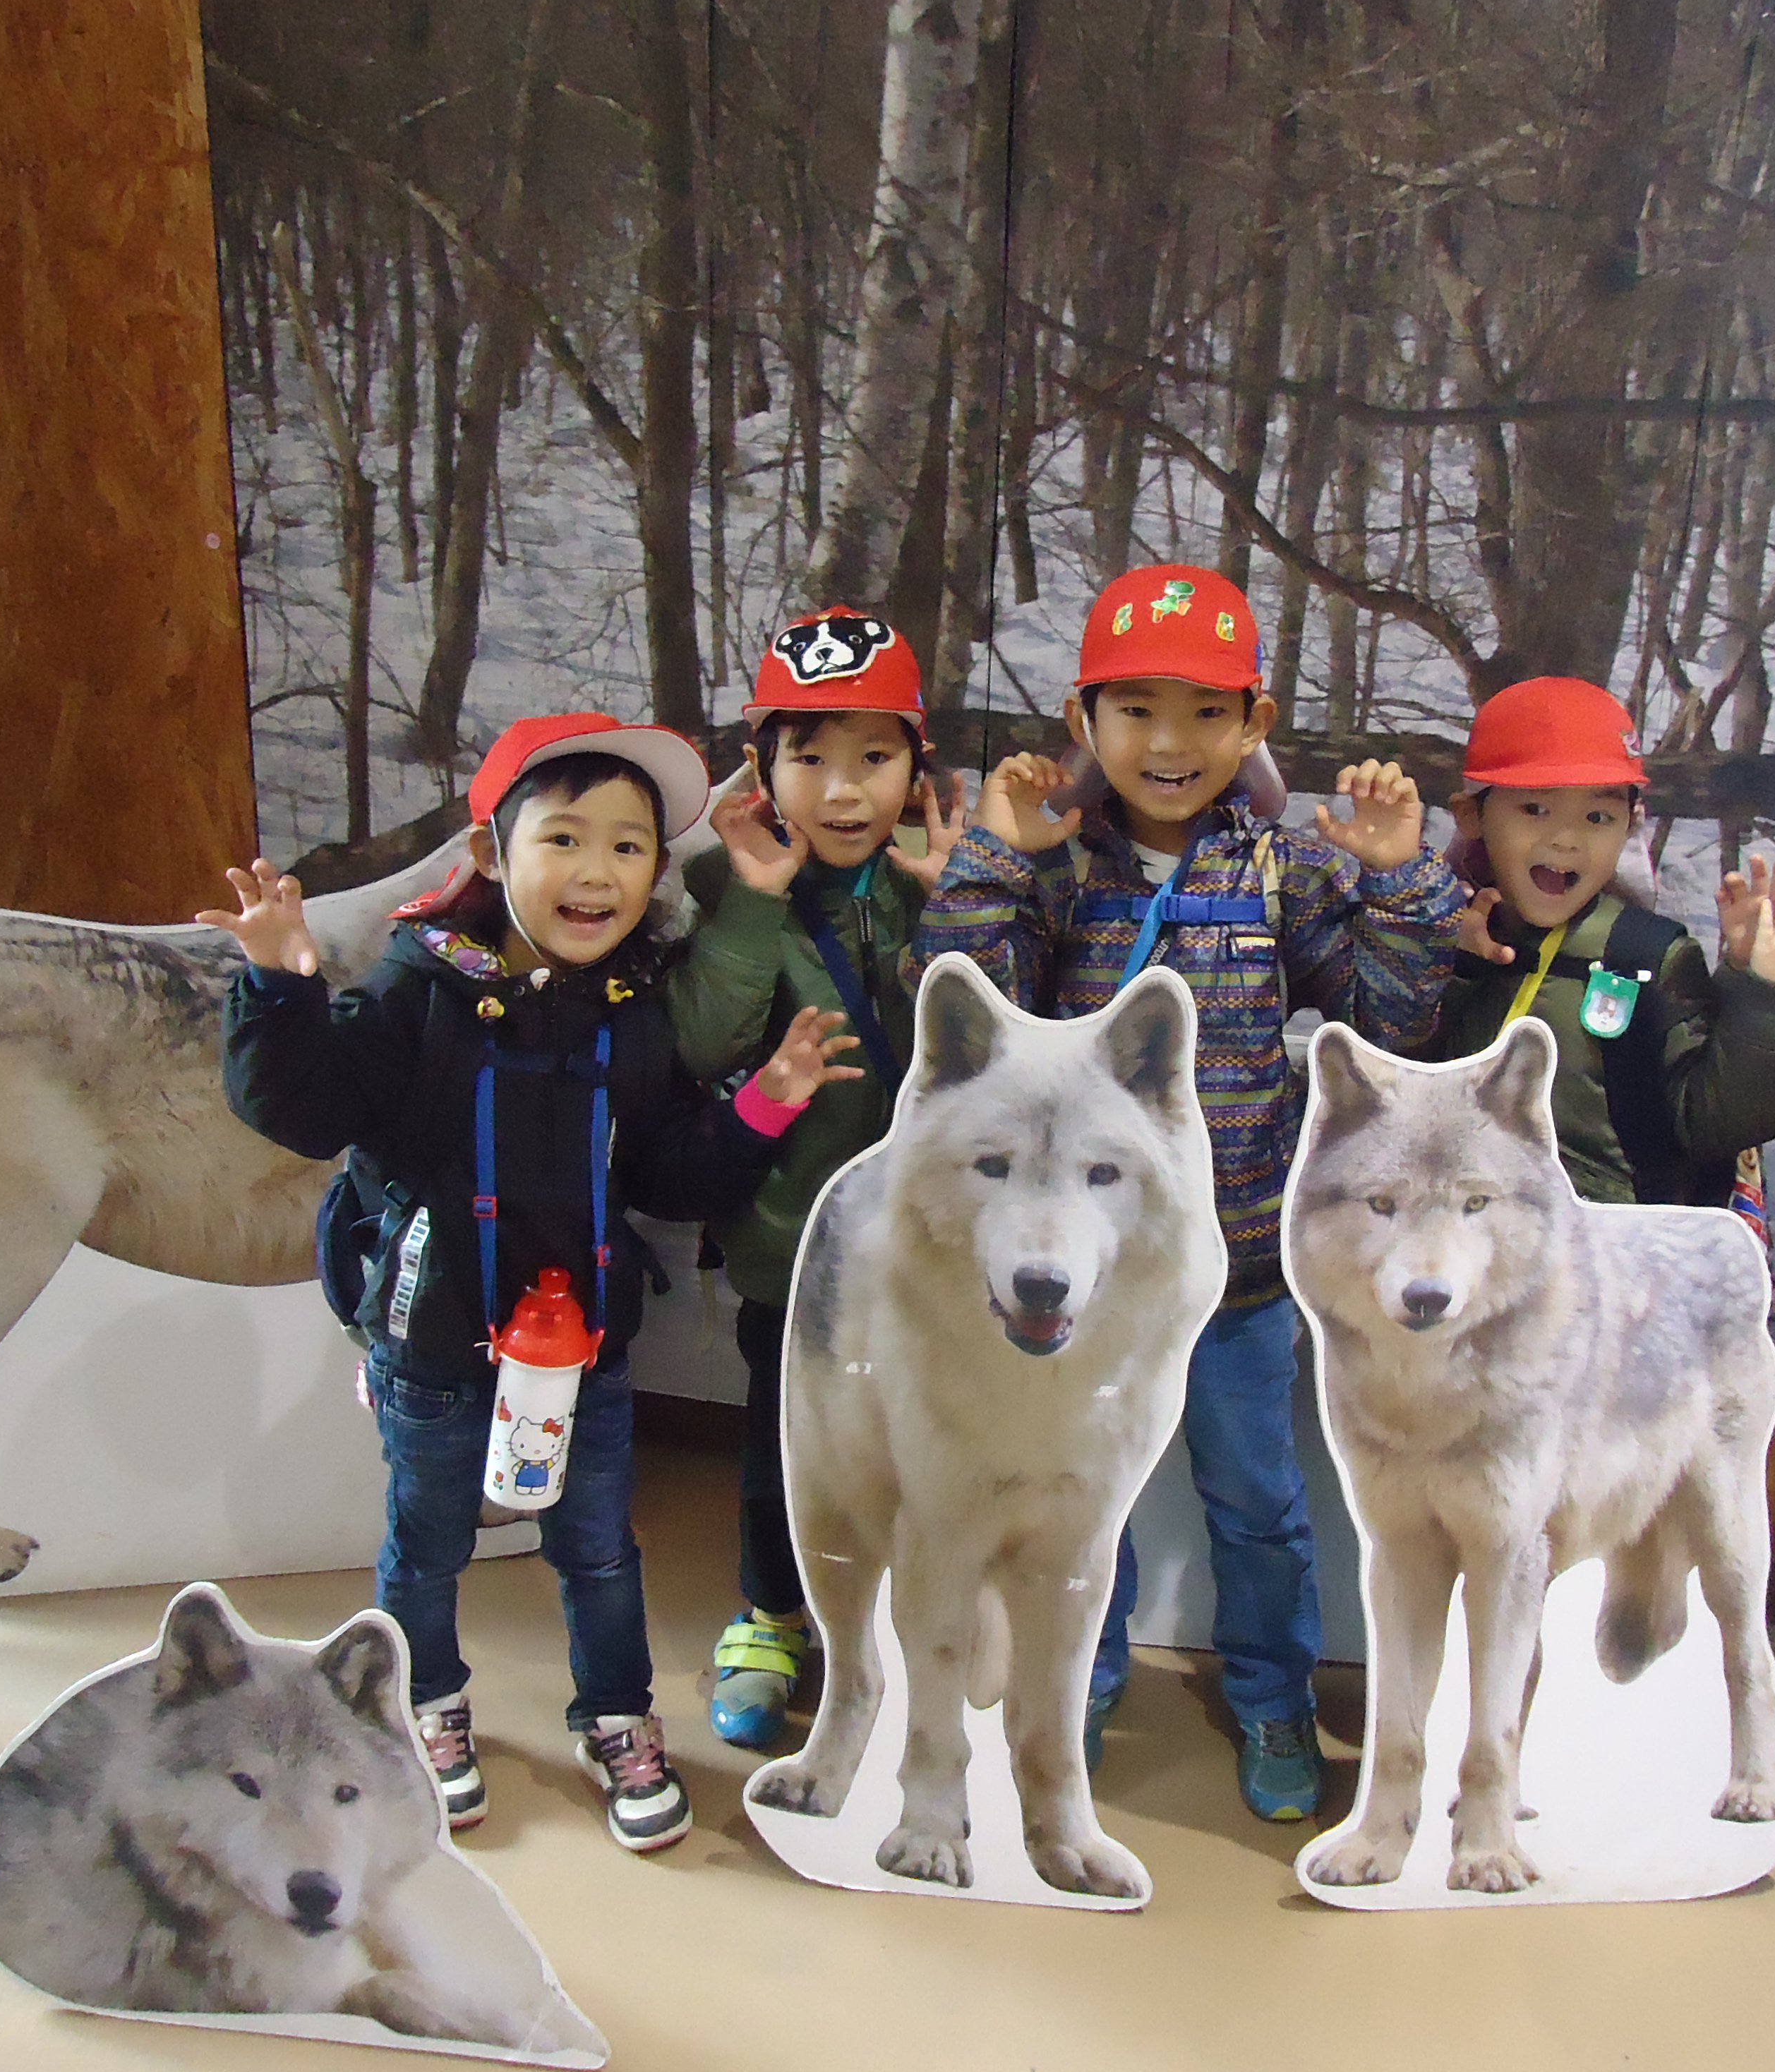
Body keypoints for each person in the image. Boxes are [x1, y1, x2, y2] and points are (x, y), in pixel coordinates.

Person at [210, 713, 863, 1853]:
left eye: (628, 846)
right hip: (435, 1345)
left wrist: (767, 1102)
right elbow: (303, 1107)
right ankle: (422, 1707)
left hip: (586, 1358)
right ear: (487, 855)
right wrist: (280, 984)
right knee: (430, 1541)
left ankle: (615, 1716)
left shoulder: (632, 1012)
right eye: (564, 838)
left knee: (599, 1548)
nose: (597, 871)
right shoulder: (421, 992)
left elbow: (665, 1170)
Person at [919, 562, 1467, 1824]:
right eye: (1138, 710)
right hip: (1076, 1280)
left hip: (1238, 1269)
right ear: (1084, 718)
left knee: (1259, 1502)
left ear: (1256, 724)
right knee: (1070, 1496)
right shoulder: (1061, 869)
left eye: (1207, 713)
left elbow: (1395, 1025)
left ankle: (1273, 1696)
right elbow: (964, 1014)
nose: (1171, 744)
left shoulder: (1282, 871)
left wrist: (1395, 878)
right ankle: (1074, 1683)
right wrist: (1002, 859)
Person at [667, 608, 965, 1752]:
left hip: (930, 1253)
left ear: (916, 768)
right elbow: (698, 1044)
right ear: (764, 767)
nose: (843, 792)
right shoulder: (733, 892)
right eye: (811, 758)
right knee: (783, 1445)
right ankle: (768, 1614)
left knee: (916, 1440)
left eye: (874, 759)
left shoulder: (932, 883)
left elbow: (986, 1050)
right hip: (790, 1246)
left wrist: (951, 908)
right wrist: (751, 900)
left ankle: (893, 1625)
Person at [1424, 670, 1775, 1201]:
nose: (1566, 839)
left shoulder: (1646, 955)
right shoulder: (1441, 928)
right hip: (1446, 1246)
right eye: (1535, 809)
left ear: (1629, 824)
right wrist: (1456, 970)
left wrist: (1770, 996)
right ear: (1472, 815)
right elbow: (1395, 1081)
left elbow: (1716, 1124)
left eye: (1597, 816)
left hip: (1601, 1261)